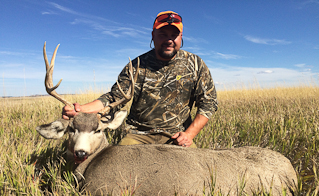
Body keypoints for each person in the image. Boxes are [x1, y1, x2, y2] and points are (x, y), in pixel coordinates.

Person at [62, 10, 218, 148]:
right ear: (153, 35)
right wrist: (81, 109)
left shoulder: (195, 64)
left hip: (177, 136)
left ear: (181, 37)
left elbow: (209, 103)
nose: (169, 40)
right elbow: (114, 98)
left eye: (174, 35)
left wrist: (189, 134)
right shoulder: (135, 66)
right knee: (118, 169)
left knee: (198, 175)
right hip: (138, 136)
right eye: (163, 34)